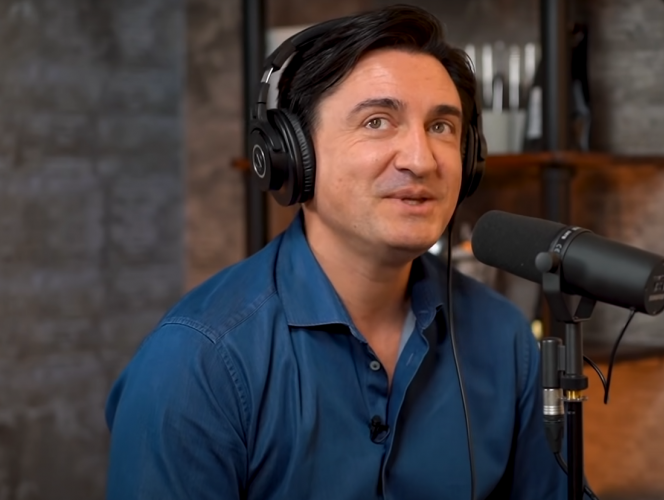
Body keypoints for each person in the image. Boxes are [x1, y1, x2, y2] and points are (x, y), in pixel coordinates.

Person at [105, 5, 573, 499]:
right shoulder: (196, 361)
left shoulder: (504, 337)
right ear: (293, 156)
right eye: (377, 121)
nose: (421, 160)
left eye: (441, 127)